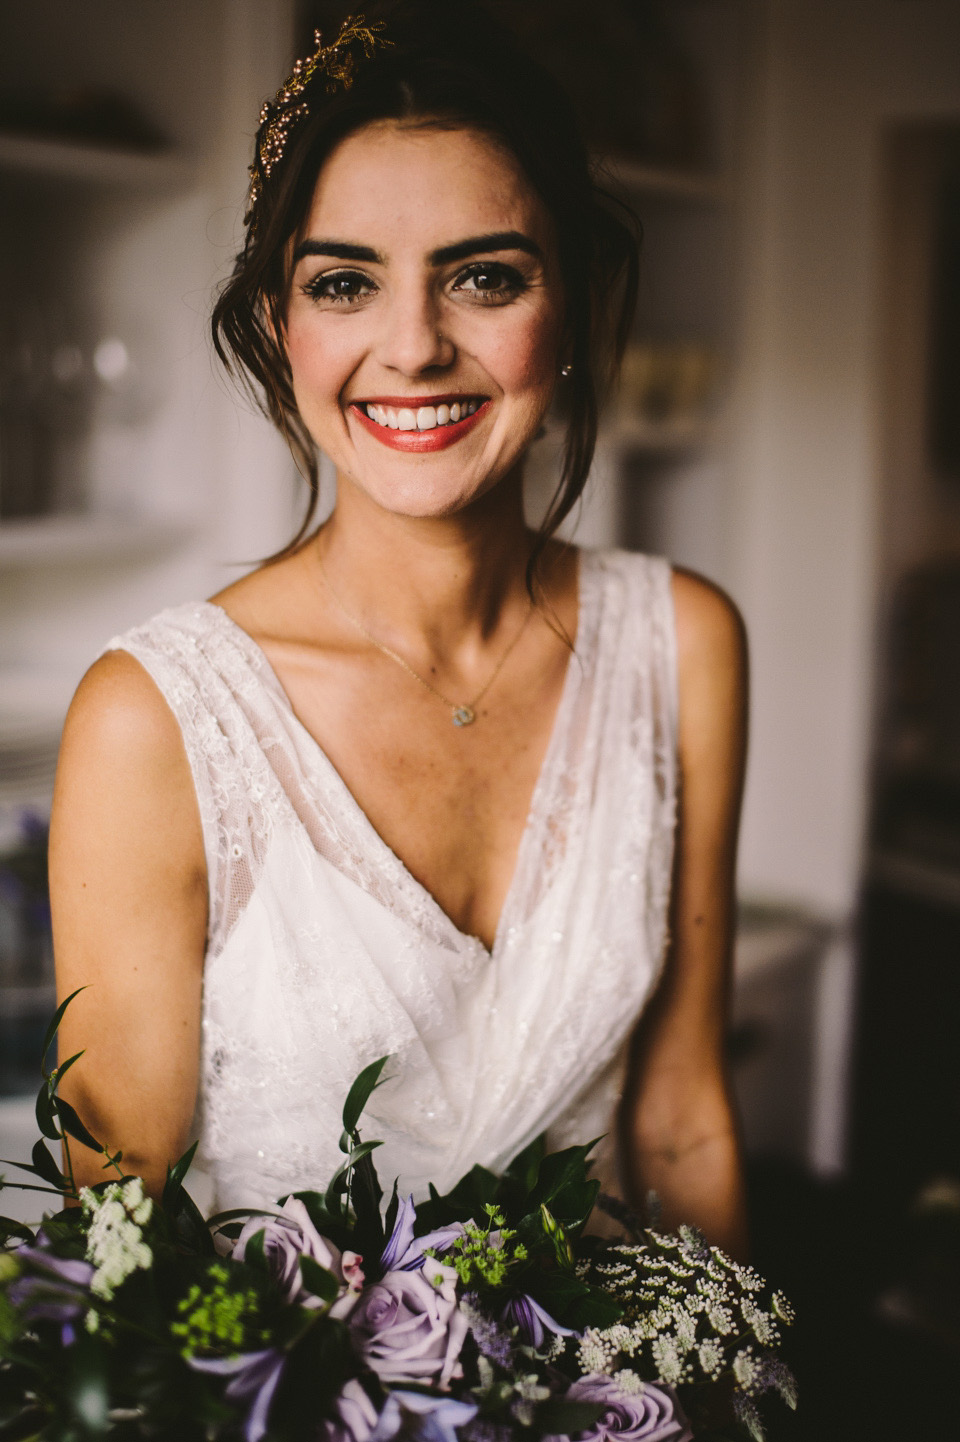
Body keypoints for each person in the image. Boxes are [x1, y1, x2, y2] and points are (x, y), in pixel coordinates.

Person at [49, 1, 748, 1258]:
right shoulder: (152, 720)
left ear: (576, 303)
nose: (415, 347)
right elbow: (116, 1238)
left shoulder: (684, 644)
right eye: (345, 282)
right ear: (280, 325)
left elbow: (686, 1119)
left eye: (484, 276)